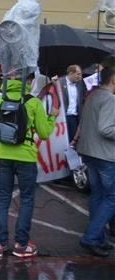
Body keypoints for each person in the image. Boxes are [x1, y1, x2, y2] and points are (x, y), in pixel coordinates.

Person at [0, 70, 56, 258]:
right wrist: (52, 117)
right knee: (26, 199)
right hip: (26, 157)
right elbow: (44, 133)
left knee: (3, 199)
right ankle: (21, 245)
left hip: (2, 156)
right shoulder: (33, 102)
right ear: (29, 80)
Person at [76, 65, 115, 257]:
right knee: (111, 198)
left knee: (98, 196)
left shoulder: (93, 96)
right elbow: (106, 129)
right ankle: (92, 237)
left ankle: (98, 238)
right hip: (105, 155)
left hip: (89, 152)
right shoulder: (109, 99)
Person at [58, 65, 85, 143]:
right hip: (63, 117)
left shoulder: (81, 83)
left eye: (81, 74)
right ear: (70, 73)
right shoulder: (59, 82)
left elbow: (84, 97)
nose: (80, 76)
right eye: (78, 74)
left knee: (73, 140)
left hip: (75, 117)